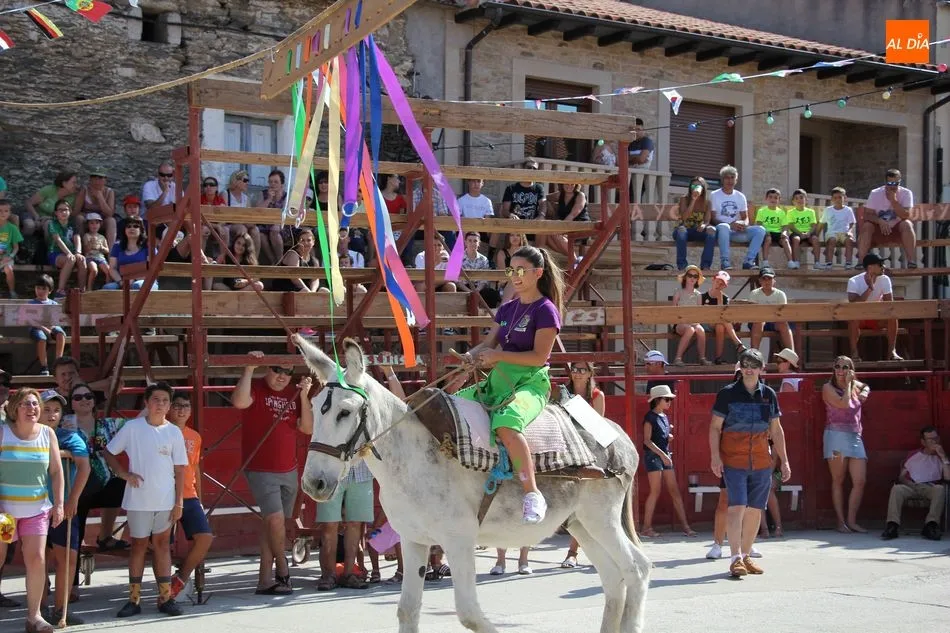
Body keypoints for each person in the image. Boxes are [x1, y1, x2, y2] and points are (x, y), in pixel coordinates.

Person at [458, 245, 564, 523]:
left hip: (531, 382)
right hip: (499, 379)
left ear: (538, 273)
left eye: (521, 270)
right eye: (511, 270)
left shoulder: (546, 310)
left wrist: (497, 356)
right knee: (452, 406)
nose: (515, 276)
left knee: (507, 421)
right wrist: (471, 357)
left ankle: (532, 493)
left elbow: (539, 357)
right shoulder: (507, 308)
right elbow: (488, 343)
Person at [103, 383, 187, 618]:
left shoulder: (174, 432)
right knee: (138, 545)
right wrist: (123, 474)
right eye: (156, 399)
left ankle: (165, 598)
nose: (160, 404)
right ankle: (134, 599)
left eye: (165, 400)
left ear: (169, 405)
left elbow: (180, 469)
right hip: (138, 499)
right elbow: (109, 451)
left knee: (162, 545)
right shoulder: (133, 427)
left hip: (165, 499)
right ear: (147, 403)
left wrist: (179, 501)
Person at [232, 355, 313, 595]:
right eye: (277, 370)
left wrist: (304, 395)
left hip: (288, 469)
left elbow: (307, 428)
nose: (282, 376)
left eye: (288, 372)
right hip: (261, 468)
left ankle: (264, 580)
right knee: (276, 521)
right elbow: (239, 402)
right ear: (267, 369)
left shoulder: (293, 393)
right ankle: (283, 569)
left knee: (274, 524)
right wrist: (249, 369)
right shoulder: (256, 387)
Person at [709, 349, 790, 577]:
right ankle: (735, 558)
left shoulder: (769, 394)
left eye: (754, 365)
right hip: (733, 459)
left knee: (755, 509)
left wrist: (784, 460)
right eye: (745, 365)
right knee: (736, 507)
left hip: (762, 460)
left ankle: (745, 556)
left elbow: (776, 430)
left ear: (762, 368)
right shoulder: (727, 394)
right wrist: (715, 456)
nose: (749, 369)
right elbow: (715, 427)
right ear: (741, 368)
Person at [0, 388, 65, 633]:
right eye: (26, 404)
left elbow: (56, 472)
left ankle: (34, 616)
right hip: (4, 512)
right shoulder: (3, 432)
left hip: (36, 510)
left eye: (36, 404)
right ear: (15, 409)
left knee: (37, 559)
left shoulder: (47, 434)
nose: (32, 409)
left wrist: (59, 504)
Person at [39, 390, 89, 626]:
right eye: (47, 409)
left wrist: (73, 500)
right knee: (37, 560)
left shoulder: (69, 436)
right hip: (34, 506)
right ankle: (39, 609)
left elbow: (84, 467)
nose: (52, 415)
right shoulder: (25, 435)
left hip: (62, 505)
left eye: (56, 410)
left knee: (67, 559)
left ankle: (61, 610)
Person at [166, 392, 214, 599]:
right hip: (164, 495)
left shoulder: (195, 436)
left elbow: (195, 469)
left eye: (186, 406)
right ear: (169, 408)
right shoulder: (161, 432)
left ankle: (180, 579)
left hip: (188, 494)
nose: (182, 410)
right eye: (177, 405)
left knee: (205, 538)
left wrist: (200, 499)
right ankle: (162, 586)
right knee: (161, 543)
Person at [560, 361, 605, 568]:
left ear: (589, 374)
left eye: (582, 370)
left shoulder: (596, 395)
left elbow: (598, 428)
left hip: (586, 451)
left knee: (582, 504)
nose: (577, 373)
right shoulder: (562, 393)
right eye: (574, 369)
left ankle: (573, 552)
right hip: (563, 449)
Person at [822, 356, 870, 533]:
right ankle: (840, 522)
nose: (841, 370)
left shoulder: (855, 384)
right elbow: (844, 404)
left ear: (851, 370)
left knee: (860, 480)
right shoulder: (828, 387)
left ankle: (852, 520)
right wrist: (850, 385)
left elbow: (866, 386)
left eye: (845, 367)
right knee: (838, 479)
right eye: (838, 366)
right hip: (835, 437)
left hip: (855, 436)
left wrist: (864, 392)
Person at [641, 385, 694, 538]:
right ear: (658, 400)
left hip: (664, 455)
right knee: (655, 491)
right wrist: (663, 455)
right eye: (667, 399)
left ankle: (686, 527)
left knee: (674, 490)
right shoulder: (650, 417)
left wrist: (668, 439)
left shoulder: (663, 416)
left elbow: (656, 438)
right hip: (654, 456)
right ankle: (646, 528)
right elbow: (647, 441)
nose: (670, 402)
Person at [316, 453, 374, 591]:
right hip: (330, 469)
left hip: (361, 469)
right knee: (329, 524)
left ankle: (348, 574)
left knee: (355, 523)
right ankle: (329, 575)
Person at [881, 426, 950, 541]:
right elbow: (901, 477)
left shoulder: (941, 457)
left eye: (936, 438)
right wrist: (910, 484)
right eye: (930, 439)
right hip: (911, 486)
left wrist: (943, 457)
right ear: (923, 442)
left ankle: (931, 525)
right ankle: (892, 525)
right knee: (897, 489)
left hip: (930, 488)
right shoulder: (913, 455)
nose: (934, 442)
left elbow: (948, 478)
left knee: (940, 489)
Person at [708, 165, 766, 270]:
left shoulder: (740, 196)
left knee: (760, 230)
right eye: (727, 178)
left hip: (737, 232)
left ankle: (749, 261)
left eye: (732, 177)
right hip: (721, 232)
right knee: (724, 226)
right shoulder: (714, 195)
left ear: (736, 180)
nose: (730, 180)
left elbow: (745, 217)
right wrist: (730, 225)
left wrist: (744, 224)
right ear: (722, 179)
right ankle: (725, 262)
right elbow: (713, 219)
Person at [857, 169, 917, 268]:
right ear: (885, 182)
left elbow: (906, 215)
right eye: (890, 183)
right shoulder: (875, 193)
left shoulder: (906, 193)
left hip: (897, 231)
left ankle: (911, 261)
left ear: (900, 182)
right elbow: (867, 215)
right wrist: (880, 221)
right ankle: (860, 262)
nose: (893, 186)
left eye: (896, 183)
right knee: (867, 226)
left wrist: (893, 201)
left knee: (907, 224)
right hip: (878, 229)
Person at [847, 253, 902, 361]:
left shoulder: (885, 279)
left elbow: (889, 303)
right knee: (853, 318)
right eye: (880, 264)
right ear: (870, 267)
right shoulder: (853, 281)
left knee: (893, 317)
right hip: (860, 319)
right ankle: (854, 353)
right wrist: (870, 288)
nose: (883, 266)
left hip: (877, 317)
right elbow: (854, 304)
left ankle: (892, 352)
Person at [703, 271, 746, 364]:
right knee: (721, 321)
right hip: (705, 323)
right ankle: (737, 343)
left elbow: (722, 313)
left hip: (718, 323)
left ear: (725, 286)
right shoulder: (703, 296)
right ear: (713, 280)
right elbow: (702, 314)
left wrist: (719, 299)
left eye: (722, 284)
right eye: (718, 281)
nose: (719, 285)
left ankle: (718, 357)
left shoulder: (725, 298)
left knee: (720, 326)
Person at [747, 267, 794, 353]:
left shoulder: (780, 294)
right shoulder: (754, 293)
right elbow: (753, 313)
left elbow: (783, 314)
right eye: (764, 279)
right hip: (757, 322)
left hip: (775, 322)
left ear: (774, 281)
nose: (767, 281)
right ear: (760, 281)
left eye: (769, 278)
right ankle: (754, 353)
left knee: (783, 324)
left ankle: (791, 353)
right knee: (759, 321)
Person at [673, 176, 715, 271]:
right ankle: (682, 265)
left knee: (711, 231)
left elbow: (707, 221)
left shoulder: (707, 203)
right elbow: (684, 218)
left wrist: (704, 225)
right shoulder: (684, 199)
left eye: (698, 186)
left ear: (703, 188)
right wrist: (693, 200)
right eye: (693, 186)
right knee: (682, 231)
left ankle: (705, 265)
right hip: (683, 231)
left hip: (698, 231)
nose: (695, 188)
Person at [29, 274, 67, 377]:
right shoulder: (31, 303)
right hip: (36, 328)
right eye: (38, 288)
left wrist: (51, 328)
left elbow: (56, 320)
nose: (40, 291)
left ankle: (58, 363)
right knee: (41, 338)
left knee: (60, 334)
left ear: (50, 291)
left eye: (43, 289)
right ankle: (44, 366)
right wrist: (45, 329)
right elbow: (32, 321)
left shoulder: (53, 304)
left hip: (51, 327)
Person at [48, 199, 87, 298]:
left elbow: (77, 238)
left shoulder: (73, 224)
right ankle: (60, 290)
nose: (64, 212)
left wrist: (78, 252)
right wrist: (69, 253)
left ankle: (82, 291)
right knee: (70, 259)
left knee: (82, 259)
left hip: (72, 253)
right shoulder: (52, 224)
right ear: (56, 213)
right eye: (60, 210)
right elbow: (58, 240)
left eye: (66, 210)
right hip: (55, 253)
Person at [24, 171, 80, 238]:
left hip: (51, 220)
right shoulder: (50, 190)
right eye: (74, 182)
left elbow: (68, 215)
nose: (76, 185)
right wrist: (36, 217)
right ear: (64, 183)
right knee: (29, 225)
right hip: (34, 214)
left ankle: (49, 244)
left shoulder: (73, 197)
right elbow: (28, 203)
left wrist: (49, 218)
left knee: (49, 224)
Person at [671, 265, 709, 366]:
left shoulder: (698, 295)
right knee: (690, 330)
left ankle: (702, 358)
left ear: (697, 279)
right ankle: (678, 358)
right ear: (685, 277)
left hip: (694, 322)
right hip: (680, 323)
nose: (692, 278)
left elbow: (699, 312)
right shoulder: (678, 292)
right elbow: (672, 310)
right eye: (690, 275)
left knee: (701, 330)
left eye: (695, 276)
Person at [74, 168, 117, 247]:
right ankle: (81, 249)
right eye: (94, 177)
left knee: (111, 221)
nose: (97, 181)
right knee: (79, 218)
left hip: (102, 221)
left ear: (105, 180)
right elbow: (76, 211)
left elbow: (110, 213)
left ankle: (111, 251)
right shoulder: (84, 190)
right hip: (87, 220)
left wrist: (100, 197)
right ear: (90, 179)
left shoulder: (109, 192)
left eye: (100, 178)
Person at [547, 183, 591, 259]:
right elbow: (546, 197)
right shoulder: (560, 194)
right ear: (562, 184)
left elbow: (573, 214)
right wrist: (549, 206)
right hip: (566, 226)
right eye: (567, 184)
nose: (569, 186)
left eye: (572, 184)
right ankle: (574, 259)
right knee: (546, 235)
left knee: (556, 234)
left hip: (580, 226)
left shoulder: (580, 195)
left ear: (576, 185)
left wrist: (562, 229)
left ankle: (574, 260)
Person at [816, 187, 856, 269]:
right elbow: (822, 223)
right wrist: (816, 234)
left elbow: (852, 222)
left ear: (845, 198)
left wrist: (850, 231)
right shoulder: (828, 210)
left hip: (844, 232)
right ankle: (829, 263)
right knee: (832, 240)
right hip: (832, 233)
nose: (837, 200)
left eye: (840, 197)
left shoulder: (848, 210)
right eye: (835, 198)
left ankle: (848, 263)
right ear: (832, 199)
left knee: (849, 240)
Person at [783, 189, 819, 270]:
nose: (799, 200)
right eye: (796, 198)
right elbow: (791, 226)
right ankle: (796, 262)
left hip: (809, 233)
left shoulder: (811, 212)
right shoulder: (790, 212)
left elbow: (813, 225)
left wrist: (809, 233)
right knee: (796, 239)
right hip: (796, 232)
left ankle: (817, 263)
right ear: (793, 201)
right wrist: (800, 233)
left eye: (801, 197)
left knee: (815, 239)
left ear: (806, 200)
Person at [752, 188, 789, 268]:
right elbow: (759, 224)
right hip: (767, 233)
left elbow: (785, 226)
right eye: (770, 197)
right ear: (766, 199)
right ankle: (765, 262)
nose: (773, 199)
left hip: (778, 233)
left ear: (779, 200)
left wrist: (784, 232)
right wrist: (765, 231)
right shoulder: (761, 211)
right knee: (768, 239)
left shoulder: (781, 212)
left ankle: (791, 261)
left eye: (776, 198)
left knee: (785, 240)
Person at [82, 213, 111, 290]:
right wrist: (90, 244)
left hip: (100, 258)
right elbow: (85, 250)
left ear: (100, 225)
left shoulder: (102, 237)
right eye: (92, 223)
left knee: (108, 271)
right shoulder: (86, 236)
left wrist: (101, 247)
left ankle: (107, 288)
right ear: (88, 225)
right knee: (94, 270)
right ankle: (89, 288)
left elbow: (107, 250)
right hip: (90, 257)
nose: (94, 225)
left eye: (97, 223)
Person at [0, 199, 22, 298]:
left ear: (10, 213)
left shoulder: (12, 228)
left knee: (8, 269)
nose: (3, 213)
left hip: (7, 257)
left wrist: (10, 256)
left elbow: (16, 247)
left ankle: (12, 291)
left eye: (6, 211)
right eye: (0, 211)